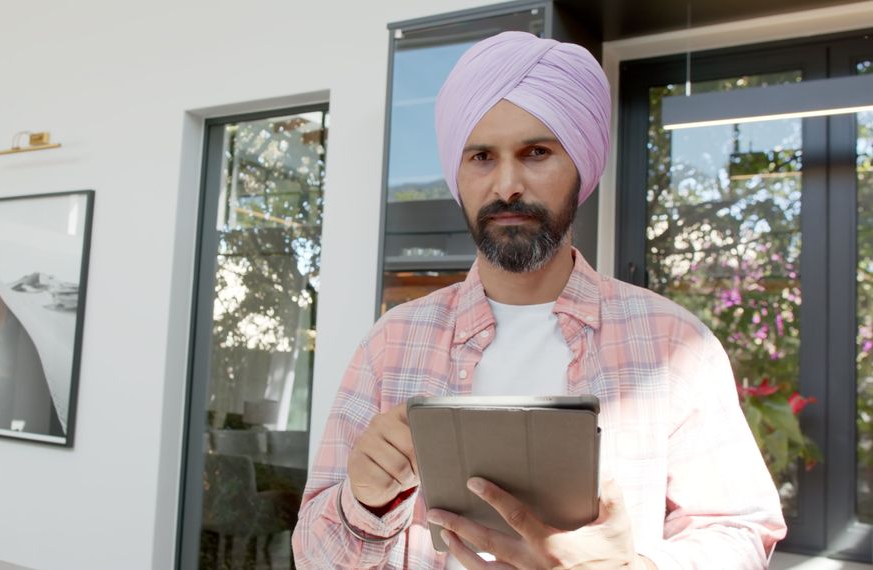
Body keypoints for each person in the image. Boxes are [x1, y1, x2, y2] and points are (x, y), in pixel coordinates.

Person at [292, 31, 786, 569]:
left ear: (581, 168)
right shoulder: (390, 344)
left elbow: (739, 532)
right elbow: (313, 556)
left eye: (536, 152)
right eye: (482, 156)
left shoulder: (676, 344)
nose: (507, 185)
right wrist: (361, 500)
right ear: (458, 173)